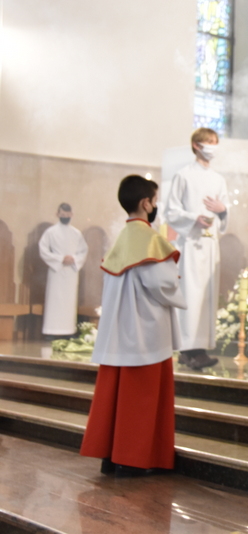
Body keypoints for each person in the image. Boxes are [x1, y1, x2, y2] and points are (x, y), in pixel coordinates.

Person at [80, 175, 186, 477]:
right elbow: (160, 283)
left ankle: (112, 456)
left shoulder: (122, 240)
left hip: (120, 332)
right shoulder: (150, 240)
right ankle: (134, 459)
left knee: (117, 396)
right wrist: (177, 281)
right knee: (141, 398)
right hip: (144, 333)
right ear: (145, 203)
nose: (156, 206)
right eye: (155, 200)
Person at [164, 128, 229, 371]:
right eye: (208, 142)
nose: (212, 146)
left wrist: (222, 211)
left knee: (206, 297)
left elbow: (224, 214)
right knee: (190, 295)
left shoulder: (219, 179)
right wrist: (194, 219)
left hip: (210, 245)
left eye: (215, 142)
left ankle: (199, 348)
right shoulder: (183, 176)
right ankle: (188, 349)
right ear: (196, 145)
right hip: (190, 244)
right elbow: (171, 211)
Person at [38, 203, 88, 339]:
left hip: (71, 272)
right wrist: (60, 259)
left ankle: (68, 331)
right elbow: (43, 250)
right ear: (57, 214)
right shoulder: (50, 232)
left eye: (67, 214)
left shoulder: (76, 233)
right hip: (56, 272)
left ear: (72, 215)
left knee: (69, 301)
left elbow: (83, 251)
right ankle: (51, 332)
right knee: (55, 300)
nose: (65, 216)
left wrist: (74, 259)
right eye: (62, 214)